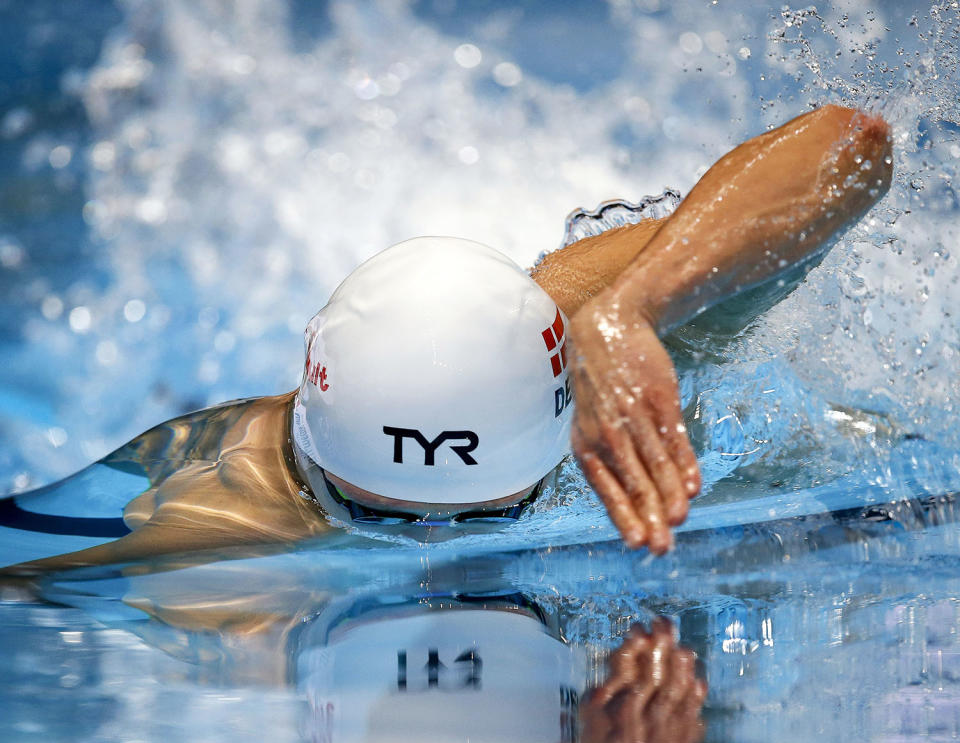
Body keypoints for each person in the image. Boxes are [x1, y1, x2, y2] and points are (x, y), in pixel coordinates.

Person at [0, 103, 892, 574]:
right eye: (373, 516)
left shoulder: (593, 324)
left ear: (564, 408)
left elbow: (852, 144)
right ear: (306, 456)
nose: (436, 546)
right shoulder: (226, 511)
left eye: (498, 511)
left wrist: (636, 310)